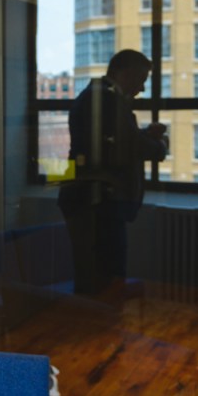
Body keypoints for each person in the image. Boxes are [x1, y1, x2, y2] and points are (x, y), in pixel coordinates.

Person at [57, 49, 168, 298]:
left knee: (95, 274)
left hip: (92, 200)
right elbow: (128, 147)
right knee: (106, 277)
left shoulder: (97, 97)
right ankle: (102, 321)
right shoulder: (107, 100)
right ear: (123, 73)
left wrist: (143, 135)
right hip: (99, 202)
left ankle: (97, 319)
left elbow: (113, 144)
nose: (142, 88)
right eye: (140, 79)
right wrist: (160, 146)